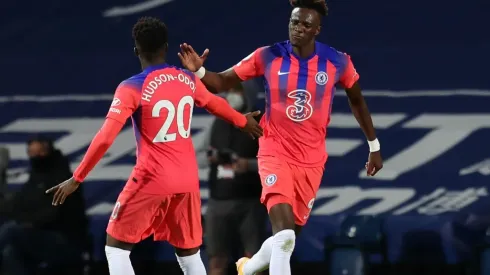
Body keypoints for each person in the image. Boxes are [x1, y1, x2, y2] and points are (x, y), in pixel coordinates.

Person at [178, 0, 384, 274]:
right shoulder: (268, 55)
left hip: (311, 161)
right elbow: (222, 81)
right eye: (294, 22)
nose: (298, 29)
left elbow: (357, 101)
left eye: (305, 25)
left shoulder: (337, 61)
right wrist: (200, 71)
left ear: (317, 30)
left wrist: (374, 146)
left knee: (286, 238)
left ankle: (248, 269)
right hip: (274, 152)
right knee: (285, 236)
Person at [46, 17, 263, 275]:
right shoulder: (187, 79)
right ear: (166, 47)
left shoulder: (131, 87)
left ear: (136, 50)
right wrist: (242, 121)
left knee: (116, 248)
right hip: (187, 181)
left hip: (152, 178)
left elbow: (105, 138)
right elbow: (215, 103)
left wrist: (77, 177)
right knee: (189, 254)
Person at [197, 83, 267, 275]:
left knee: (254, 261)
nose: (233, 95)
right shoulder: (218, 122)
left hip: (250, 202)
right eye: (231, 90)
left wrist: (248, 165)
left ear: (249, 94)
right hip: (218, 201)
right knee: (216, 259)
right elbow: (197, 156)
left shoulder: (261, 125)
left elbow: (276, 162)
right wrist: (211, 157)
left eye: (238, 91)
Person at [0, 137, 87, 275]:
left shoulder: (63, 178)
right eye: (32, 153)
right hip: (39, 236)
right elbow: (19, 205)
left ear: (49, 151)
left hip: (66, 239)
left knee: (11, 231)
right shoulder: (35, 178)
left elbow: (53, 215)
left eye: (41, 152)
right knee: (9, 253)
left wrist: (26, 221)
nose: (37, 156)